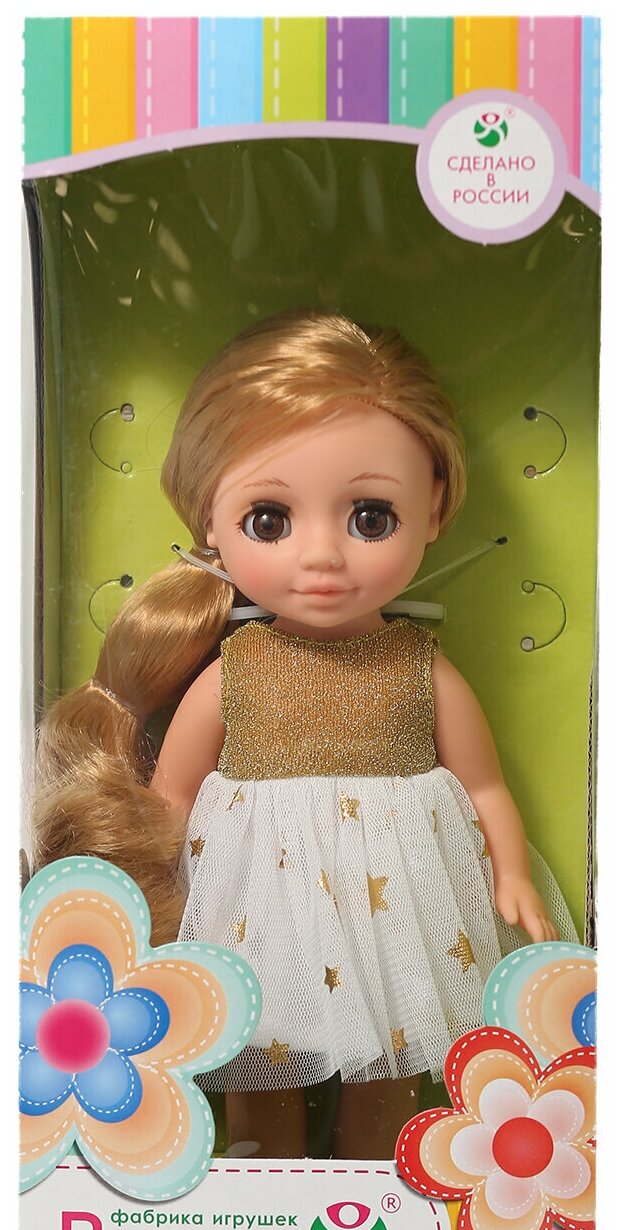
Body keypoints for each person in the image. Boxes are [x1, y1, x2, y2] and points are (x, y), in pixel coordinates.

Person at [33, 310, 575, 1158]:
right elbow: (171, 795)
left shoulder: (420, 667)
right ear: (210, 521)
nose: (321, 557)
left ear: (434, 506)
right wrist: (151, 889)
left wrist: (509, 872)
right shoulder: (235, 670)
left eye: (370, 517)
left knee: (391, 1045)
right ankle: (260, 1172)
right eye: (270, 520)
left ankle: (379, 1169)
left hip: (400, 897)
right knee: (258, 1042)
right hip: (259, 899)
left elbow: (484, 786)